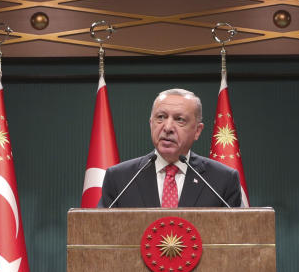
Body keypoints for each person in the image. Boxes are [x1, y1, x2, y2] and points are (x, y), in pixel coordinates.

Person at [100, 88, 242, 208]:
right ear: (151, 124)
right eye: (161, 117)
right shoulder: (119, 178)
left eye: (179, 119)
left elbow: (236, 235)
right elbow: (100, 233)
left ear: (197, 131)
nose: (167, 128)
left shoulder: (223, 180)